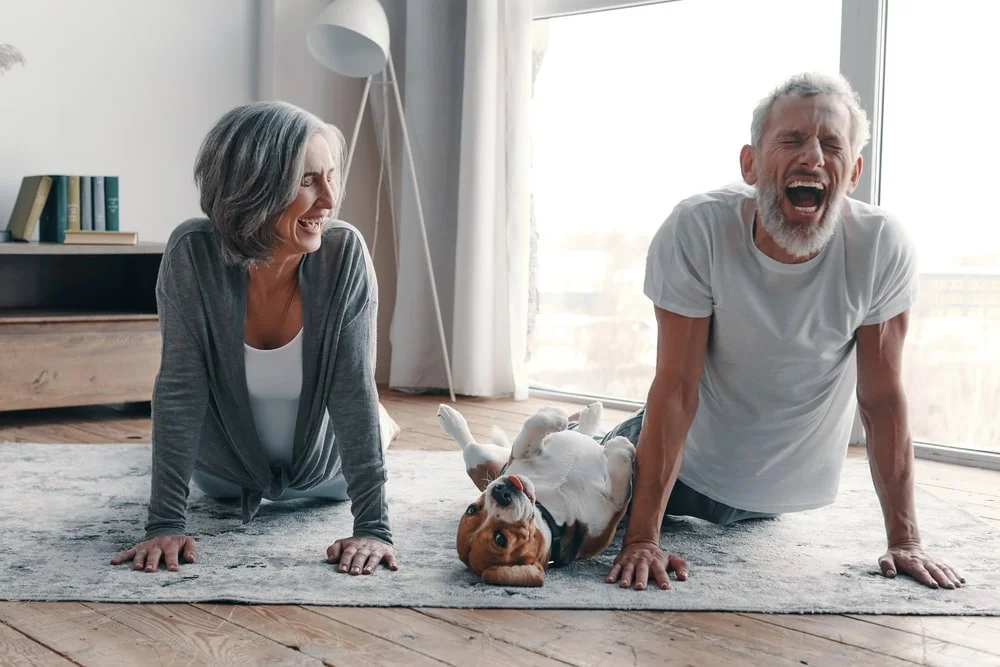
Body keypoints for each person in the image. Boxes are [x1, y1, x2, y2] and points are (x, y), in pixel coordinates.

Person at [600, 72, 965, 592]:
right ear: (750, 164)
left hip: (770, 499)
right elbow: (676, 391)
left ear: (854, 171)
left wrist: (905, 540)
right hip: (680, 466)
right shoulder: (697, 229)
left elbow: (882, 401)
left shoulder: (881, 246)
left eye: (831, 144)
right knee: (540, 494)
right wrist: (641, 539)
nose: (813, 157)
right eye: (792, 140)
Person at [111, 101, 399, 577]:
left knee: (366, 408)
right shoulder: (192, 254)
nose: (329, 200)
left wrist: (374, 527)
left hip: (329, 475)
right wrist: (164, 521)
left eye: (330, 176)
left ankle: (385, 430)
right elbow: (180, 388)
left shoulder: (343, 253)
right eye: (307, 181)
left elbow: (352, 391)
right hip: (224, 474)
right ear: (254, 187)